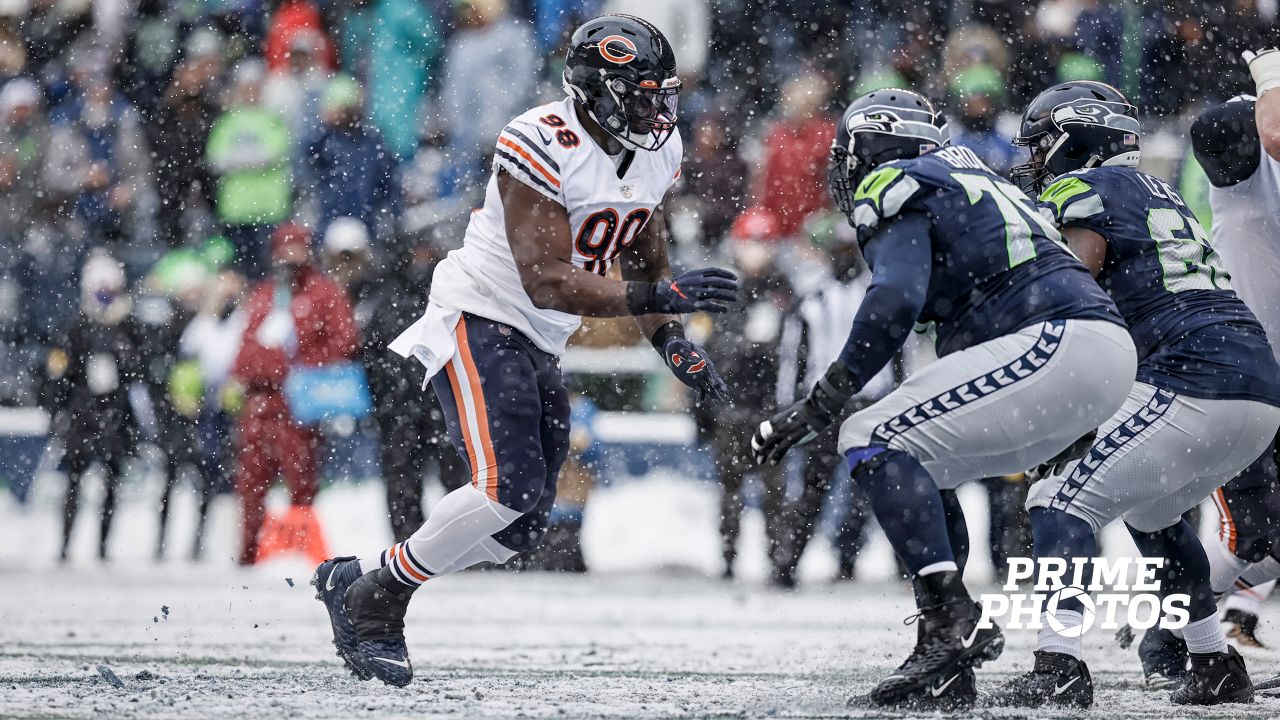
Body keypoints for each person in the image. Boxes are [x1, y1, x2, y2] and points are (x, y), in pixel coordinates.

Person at [312, 15, 738, 688]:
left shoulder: (659, 147)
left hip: (540, 336)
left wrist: (671, 339)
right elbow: (547, 278)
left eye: (663, 93)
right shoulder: (539, 138)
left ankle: (362, 580)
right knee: (503, 488)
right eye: (642, 94)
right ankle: (377, 601)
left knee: (521, 526)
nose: (658, 109)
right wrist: (667, 291)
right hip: (481, 314)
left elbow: (640, 248)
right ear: (597, 91)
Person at [752, 88, 1135, 709]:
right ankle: (950, 660)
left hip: (1055, 340)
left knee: (867, 434)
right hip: (1094, 348)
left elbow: (895, 301)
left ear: (871, 147)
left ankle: (949, 618)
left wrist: (822, 400)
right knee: (924, 461)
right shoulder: (978, 179)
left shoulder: (898, 180)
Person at [991, 81, 1280, 708]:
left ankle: (1058, 662)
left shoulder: (1082, 190)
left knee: (1057, 501)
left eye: (1042, 145)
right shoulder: (1161, 190)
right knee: (1155, 515)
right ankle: (1210, 660)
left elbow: (1072, 292)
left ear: (1074, 140)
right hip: (1254, 386)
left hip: (1194, 376)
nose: (1037, 160)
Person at [1136, 47, 1280, 686]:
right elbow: (1230, 133)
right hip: (1244, 369)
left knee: (1267, 542)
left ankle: (1174, 618)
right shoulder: (1245, 123)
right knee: (1257, 534)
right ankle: (1170, 622)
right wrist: (1271, 79)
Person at [229, 223, 358, 565]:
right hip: (260, 402)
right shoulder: (264, 295)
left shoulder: (324, 294)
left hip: (299, 403)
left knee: (301, 480)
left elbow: (344, 343)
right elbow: (246, 345)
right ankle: (250, 554)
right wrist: (246, 375)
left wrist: (301, 365)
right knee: (251, 482)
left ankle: (298, 553)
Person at [353, 230, 467, 542]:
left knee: (455, 477)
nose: (420, 259)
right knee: (403, 480)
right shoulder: (387, 299)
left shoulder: (447, 297)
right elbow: (371, 357)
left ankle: (459, 544)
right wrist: (381, 401)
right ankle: (409, 545)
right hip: (404, 408)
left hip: (440, 405)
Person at [44, 250, 149, 562]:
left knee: (111, 482)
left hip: (114, 414)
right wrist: (58, 413)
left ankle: (103, 546)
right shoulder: (75, 327)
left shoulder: (128, 327)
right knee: (74, 480)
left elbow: (139, 372)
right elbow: (58, 375)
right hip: (81, 412)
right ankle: (65, 545)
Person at [206, 61, 293, 278]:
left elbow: (272, 155)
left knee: (268, 272)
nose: (250, 92)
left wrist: (238, 159)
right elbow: (216, 160)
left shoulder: (273, 120)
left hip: (268, 210)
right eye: (246, 87)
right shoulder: (226, 122)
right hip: (236, 210)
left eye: (254, 86)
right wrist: (251, 159)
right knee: (238, 272)